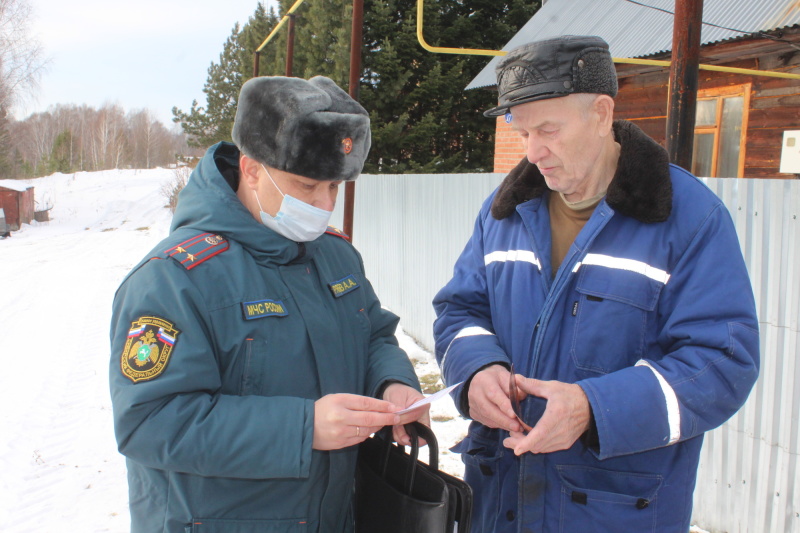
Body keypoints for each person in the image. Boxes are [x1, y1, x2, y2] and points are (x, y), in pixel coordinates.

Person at [433, 35, 759, 532]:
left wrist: (594, 409)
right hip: (499, 503)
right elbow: (460, 312)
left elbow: (722, 363)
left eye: (548, 130)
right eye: (522, 134)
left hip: (614, 511)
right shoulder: (503, 214)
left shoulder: (689, 218)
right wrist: (477, 371)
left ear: (602, 113)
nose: (533, 153)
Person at [109, 75, 429, 533]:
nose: (323, 205)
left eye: (335, 188)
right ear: (252, 169)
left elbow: (374, 332)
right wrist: (303, 427)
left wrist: (391, 381)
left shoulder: (334, 254)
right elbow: (149, 422)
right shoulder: (174, 278)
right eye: (306, 186)